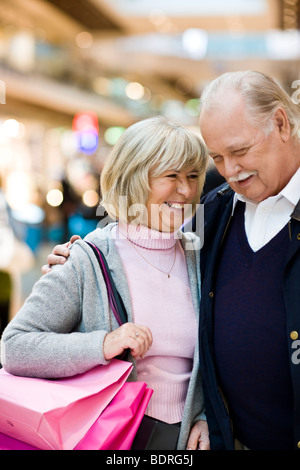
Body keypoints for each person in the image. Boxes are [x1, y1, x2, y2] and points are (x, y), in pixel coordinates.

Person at [0, 116, 210, 450]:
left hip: (188, 440)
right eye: (171, 176)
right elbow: (15, 348)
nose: (186, 190)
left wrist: (207, 415)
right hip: (114, 436)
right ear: (134, 178)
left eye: (193, 176)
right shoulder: (87, 258)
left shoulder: (200, 255)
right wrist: (103, 344)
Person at [198, 70, 300, 450]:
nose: (230, 171)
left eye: (239, 151)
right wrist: (84, 258)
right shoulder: (214, 211)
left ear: (280, 123)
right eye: (217, 157)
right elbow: (146, 242)